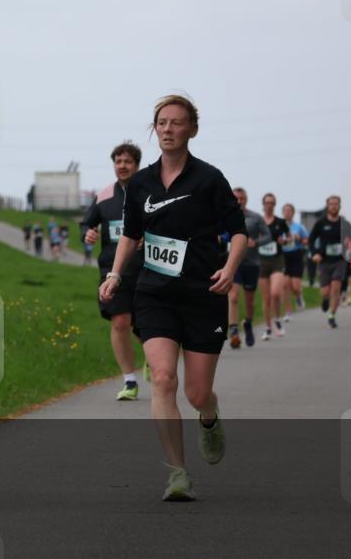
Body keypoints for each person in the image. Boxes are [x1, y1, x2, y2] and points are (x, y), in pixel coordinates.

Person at [100, 95, 246, 501]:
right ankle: (177, 473)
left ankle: (209, 416)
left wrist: (230, 268)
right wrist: (115, 274)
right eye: (162, 122)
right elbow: (131, 235)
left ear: (192, 130)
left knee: (197, 393)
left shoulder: (209, 179)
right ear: (155, 129)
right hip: (155, 294)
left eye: (176, 122)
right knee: (163, 379)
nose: (168, 129)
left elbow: (238, 231)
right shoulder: (141, 183)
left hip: (203, 294)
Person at [81, 141, 146, 401]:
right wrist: (87, 233)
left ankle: (154, 360)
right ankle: (130, 380)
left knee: (145, 326)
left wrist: (148, 236)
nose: (122, 166)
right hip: (112, 270)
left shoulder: (150, 192)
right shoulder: (104, 195)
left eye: (127, 161)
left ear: (137, 165)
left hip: (145, 270)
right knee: (120, 322)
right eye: (118, 161)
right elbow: (87, 222)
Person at [227, 188, 272, 349]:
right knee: (233, 296)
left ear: (246, 200)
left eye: (242, 198)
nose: (239, 201)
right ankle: (233, 331)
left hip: (251, 263)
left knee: (250, 301)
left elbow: (268, 236)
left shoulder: (255, 217)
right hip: (233, 264)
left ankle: (248, 323)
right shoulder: (225, 215)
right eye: (236, 198)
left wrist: (256, 242)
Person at [307, 195, 351, 329]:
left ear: (339, 206)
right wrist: (315, 253)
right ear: (327, 206)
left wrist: (350, 245)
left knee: (336, 288)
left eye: (336, 204)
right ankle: (325, 299)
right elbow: (311, 240)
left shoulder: (345, 223)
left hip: (340, 260)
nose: (334, 206)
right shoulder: (321, 223)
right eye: (331, 204)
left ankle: (332, 316)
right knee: (325, 291)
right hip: (324, 261)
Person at [258, 193, 289, 339]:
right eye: (267, 203)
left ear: (275, 205)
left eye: (271, 203)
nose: (269, 205)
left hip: (277, 260)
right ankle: (268, 327)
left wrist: (285, 240)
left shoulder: (280, 222)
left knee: (275, 293)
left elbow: (289, 237)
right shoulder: (258, 221)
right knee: (266, 298)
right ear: (263, 205)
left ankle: (277, 319)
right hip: (261, 260)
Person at [280, 203, 308, 319]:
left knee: (295, 286)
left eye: (289, 211)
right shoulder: (279, 226)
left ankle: (298, 296)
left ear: (293, 213)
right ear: (282, 213)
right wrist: (281, 241)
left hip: (296, 255)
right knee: (285, 285)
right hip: (283, 256)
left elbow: (307, 240)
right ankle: (288, 312)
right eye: (285, 211)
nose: (287, 213)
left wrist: (299, 238)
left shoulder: (299, 227)